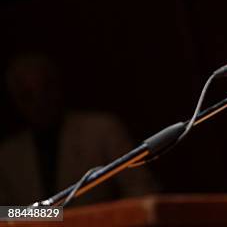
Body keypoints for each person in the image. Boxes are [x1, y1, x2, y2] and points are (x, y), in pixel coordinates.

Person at [0, 53, 158, 205]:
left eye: (45, 89)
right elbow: (5, 214)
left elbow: (142, 191)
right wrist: (54, 217)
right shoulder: (7, 155)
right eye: (27, 95)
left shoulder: (101, 131)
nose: (39, 102)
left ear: (58, 86)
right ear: (15, 100)